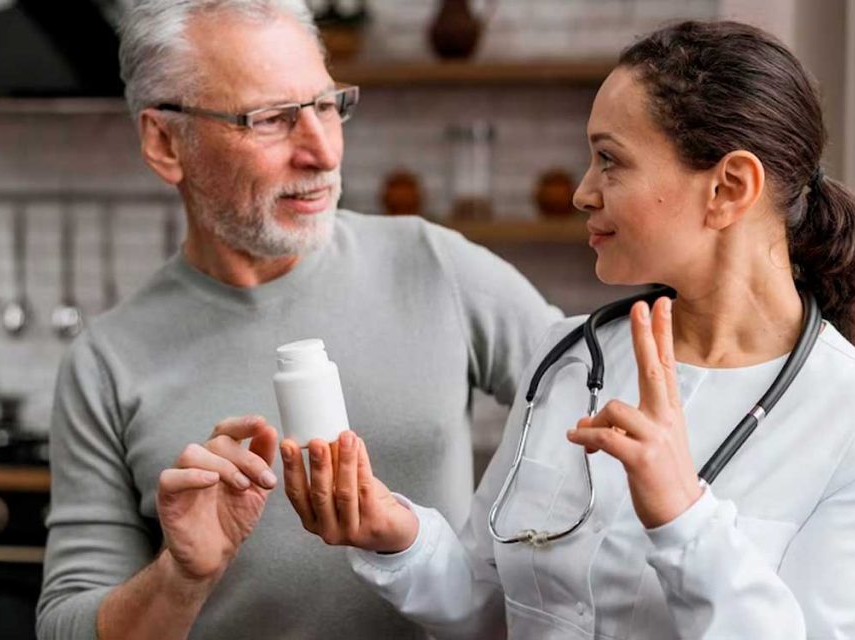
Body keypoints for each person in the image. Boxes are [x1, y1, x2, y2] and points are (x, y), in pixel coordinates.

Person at [284, 20, 855, 639]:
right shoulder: (566, 360)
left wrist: (683, 515)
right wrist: (398, 535)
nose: (582, 192)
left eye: (610, 161)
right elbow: (493, 612)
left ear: (729, 187)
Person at [34, 1, 560, 639]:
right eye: (271, 119)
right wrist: (182, 577)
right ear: (166, 142)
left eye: (327, 105)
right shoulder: (107, 363)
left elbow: (601, 407)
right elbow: (65, 626)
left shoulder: (434, 265)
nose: (321, 150)